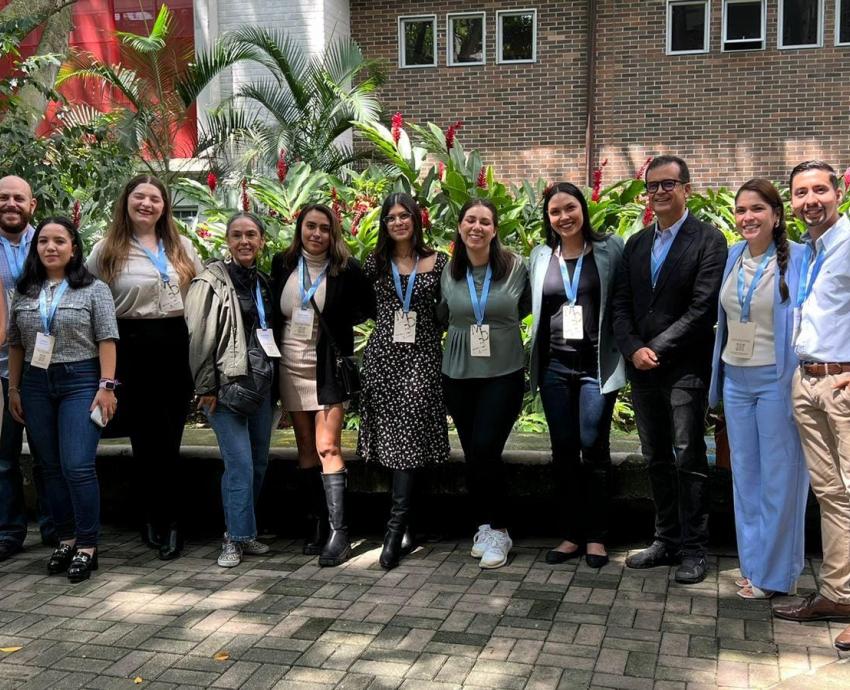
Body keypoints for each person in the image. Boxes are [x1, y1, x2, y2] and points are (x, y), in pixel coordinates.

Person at [612, 155, 727, 584]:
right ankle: (665, 540)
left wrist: (654, 349)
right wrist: (633, 349)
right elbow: (620, 304)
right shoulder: (636, 243)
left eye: (668, 184)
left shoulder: (709, 240)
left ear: (686, 189)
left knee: (688, 457)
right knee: (656, 457)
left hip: (685, 370)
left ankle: (695, 548)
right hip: (643, 371)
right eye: (652, 186)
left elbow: (703, 308)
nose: (659, 192)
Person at [87, 175, 202, 560]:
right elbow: (87, 297)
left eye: (155, 198)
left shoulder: (182, 247)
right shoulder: (107, 249)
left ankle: (173, 521)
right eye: (139, 196)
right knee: (143, 438)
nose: (146, 204)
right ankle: (152, 517)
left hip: (174, 347)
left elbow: (200, 294)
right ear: (127, 201)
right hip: (129, 349)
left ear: (164, 206)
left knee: (169, 438)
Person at [708, 179, 806, 599]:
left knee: (781, 478)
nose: (747, 217)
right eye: (741, 210)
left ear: (776, 215)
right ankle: (753, 567)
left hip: (776, 380)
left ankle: (777, 574)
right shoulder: (733, 256)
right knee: (745, 478)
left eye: (757, 209)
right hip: (735, 379)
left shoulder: (799, 258)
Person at [7, 217, 119, 582]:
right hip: (36, 384)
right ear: (36, 248)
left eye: (59, 241)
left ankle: (87, 545)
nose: (50, 247)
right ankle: (66, 539)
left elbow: (107, 339)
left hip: (81, 380)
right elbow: (16, 344)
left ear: (73, 248)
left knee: (77, 466)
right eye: (43, 241)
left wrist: (106, 386)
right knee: (49, 467)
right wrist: (13, 388)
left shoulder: (94, 289)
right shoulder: (25, 290)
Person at [772, 161, 850, 650]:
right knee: (832, 495)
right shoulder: (814, 249)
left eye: (819, 189)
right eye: (801, 193)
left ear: (838, 192)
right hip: (809, 380)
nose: (810, 201)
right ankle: (839, 594)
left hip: (842, 382)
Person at [528, 183, 625, 569]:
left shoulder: (609, 249)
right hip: (555, 368)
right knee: (564, 450)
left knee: (593, 446)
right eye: (555, 212)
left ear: (582, 209)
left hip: (595, 367)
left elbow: (624, 299)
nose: (563, 217)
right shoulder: (540, 256)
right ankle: (571, 535)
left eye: (570, 208)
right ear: (548, 218)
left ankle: (597, 536)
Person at [271, 203, 373, 567]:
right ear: (300, 228)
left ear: (333, 234)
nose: (316, 234)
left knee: (328, 446)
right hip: (290, 364)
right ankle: (316, 523)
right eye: (310, 226)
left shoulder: (347, 269)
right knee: (305, 449)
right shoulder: (283, 263)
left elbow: (367, 308)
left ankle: (339, 532)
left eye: (324, 228)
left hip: (328, 367)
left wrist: (339, 327)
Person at [358, 192, 450, 570]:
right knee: (394, 442)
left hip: (422, 359)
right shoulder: (375, 263)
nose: (398, 222)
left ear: (416, 219)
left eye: (404, 215)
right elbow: (361, 307)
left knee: (410, 438)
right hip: (383, 360)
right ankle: (408, 526)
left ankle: (394, 531)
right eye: (391, 217)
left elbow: (447, 310)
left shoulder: (438, 262)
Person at [438, 198, 531, 569]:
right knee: (473, 454)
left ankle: (501, 530)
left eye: (485, 222)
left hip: (502, 372)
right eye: (470, 220)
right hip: (458, 373)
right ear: (460, 226)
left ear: (495, 229)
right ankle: (484, 527)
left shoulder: (516, 267)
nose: (476, 227)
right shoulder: (449, 271)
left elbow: (526, 306)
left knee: (485, 448)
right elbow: (442, 313)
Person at [186, 213, 275, 568]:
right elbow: (198, 337)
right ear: (227, 240)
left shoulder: (262, 282)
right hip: (224, 388)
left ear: (262, 240)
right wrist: (205, 385)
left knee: (258, 462)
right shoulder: (209, 281)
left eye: (251, 234)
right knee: (239, 464)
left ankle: (245, 530)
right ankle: (233, 538)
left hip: (260, 387)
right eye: (237, 235)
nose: (244, 241)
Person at [0, 176, 55, 561]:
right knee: (3, 459)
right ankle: (8, 531)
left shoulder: (48, 242)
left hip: (43, 368)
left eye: (18, 198)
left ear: (31, 205)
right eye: (3, 197)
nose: (10, 204)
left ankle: (55, 528)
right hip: (1, 370)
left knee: (47, 456)